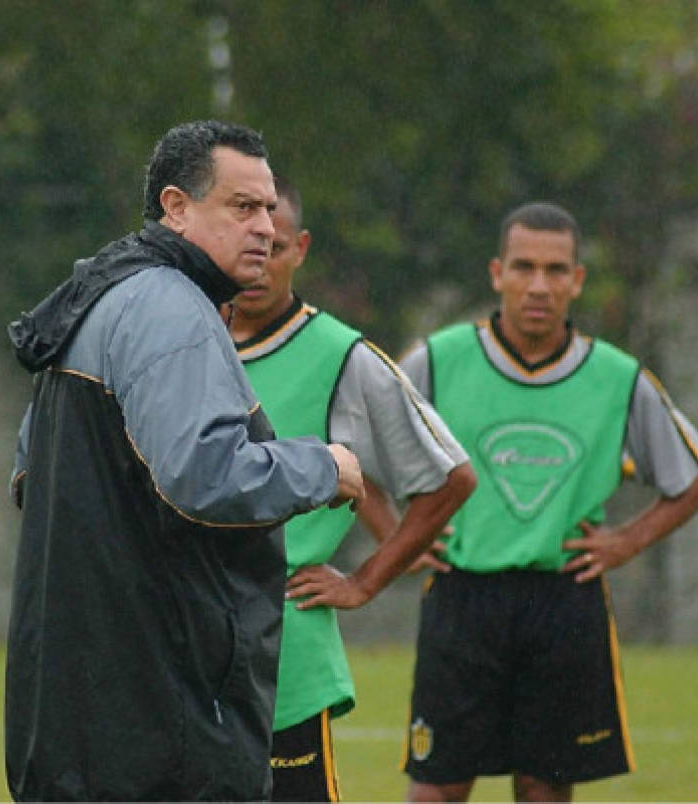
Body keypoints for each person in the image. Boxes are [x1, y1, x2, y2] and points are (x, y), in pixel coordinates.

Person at [5, 120, 366, 801]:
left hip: (73, 698)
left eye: (267, 208)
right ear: (175, 206)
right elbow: (202, 477)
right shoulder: (172, 311)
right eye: (242, 207)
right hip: (160, 714)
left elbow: (30, 475)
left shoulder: (99, 301)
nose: (263, 226)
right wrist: (324, 466)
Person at [397, 202, 698, 803]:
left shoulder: (618, 377)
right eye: (524, 267)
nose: (538, 285)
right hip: (463, 596)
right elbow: (358, 454)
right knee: (435, 790)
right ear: (497, 273)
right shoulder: (438, 361)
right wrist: (399, 540)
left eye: (555, 269)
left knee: (544, 790)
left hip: (562, 600)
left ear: (577, 280)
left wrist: (627, 540)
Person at [226, 177, 476, 802]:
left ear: (301, 247)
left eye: (275, 248)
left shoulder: (343, 356)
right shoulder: (176, 339)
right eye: (245, 246)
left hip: (285, 652)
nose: (257, 266)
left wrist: (365, 579)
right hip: (173, 643)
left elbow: (451, 477)